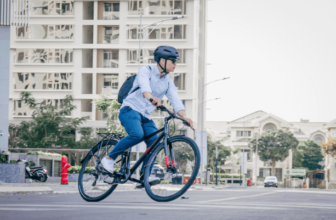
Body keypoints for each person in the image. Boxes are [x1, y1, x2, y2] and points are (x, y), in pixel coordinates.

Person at [101, 45, 193, 188]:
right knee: (137, 134)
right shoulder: (146, 70)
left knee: (154, 141)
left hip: (145, 115)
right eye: (173, 60)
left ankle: (145, 175)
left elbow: (175, 100)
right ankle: (109, 158)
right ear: (162, 60)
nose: (175, 64)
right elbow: (145, 87)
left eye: (176, 61)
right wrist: (151, 98)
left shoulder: (168, 81)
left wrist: (184, 117)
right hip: (130, 109)